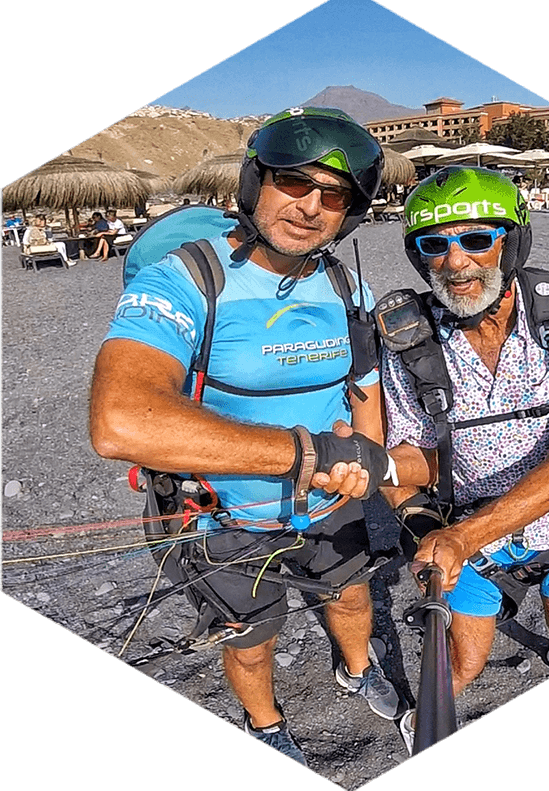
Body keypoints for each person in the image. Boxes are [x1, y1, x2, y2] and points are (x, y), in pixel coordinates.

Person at [89, 107, 402, 766]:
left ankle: (357, 669)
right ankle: (265, 719)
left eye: (334, 194)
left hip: (330, 505)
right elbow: (121, 417)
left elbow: (365, 376)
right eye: (294, 181)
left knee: (350, 597)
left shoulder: (348, 283)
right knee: (252, 637)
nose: (311, 206)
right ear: (256, 182)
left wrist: (369, 460)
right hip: (219, 519)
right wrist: (311, 453)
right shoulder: (186, 277)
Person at [376, 167, 549, 751]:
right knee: (462, 661)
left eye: (476, 239)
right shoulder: (408, 337)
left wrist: (463, 537)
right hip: (466, 537)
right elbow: (415, 455)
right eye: (434, 245)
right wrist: (371, 467)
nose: (456, 262)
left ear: (514, 240)